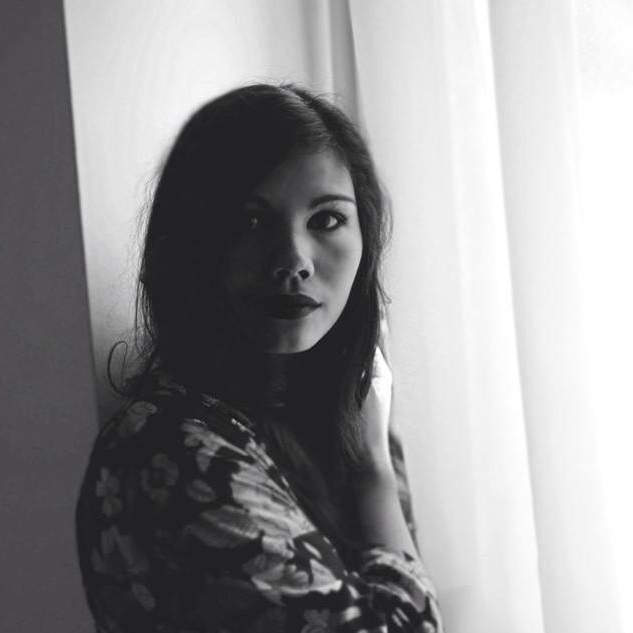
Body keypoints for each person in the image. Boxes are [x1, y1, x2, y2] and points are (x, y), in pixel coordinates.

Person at [75, 83, 444, 633]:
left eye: (326, 220)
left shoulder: (344, 408)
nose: (293, 260)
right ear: (195, 245)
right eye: (250, 222)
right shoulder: (170, 451)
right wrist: (374, 472)